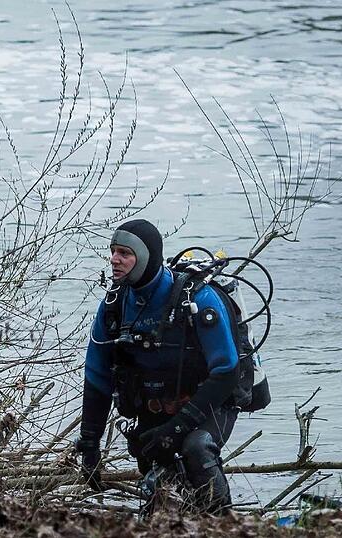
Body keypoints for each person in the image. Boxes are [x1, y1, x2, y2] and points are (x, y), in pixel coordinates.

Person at [76, 219, 245, 513]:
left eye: (125, 253)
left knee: (196, 447)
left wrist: (175, 429)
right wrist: (90, 445)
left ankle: (222, 523)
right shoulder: (114, 307)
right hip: (157, 405)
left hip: (211, 400)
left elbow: (227, 371)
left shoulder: (197, 300)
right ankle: (176, 518)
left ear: (146, 257)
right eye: (113, 251)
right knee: (154, 463)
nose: (115, 259)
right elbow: (97, 377)